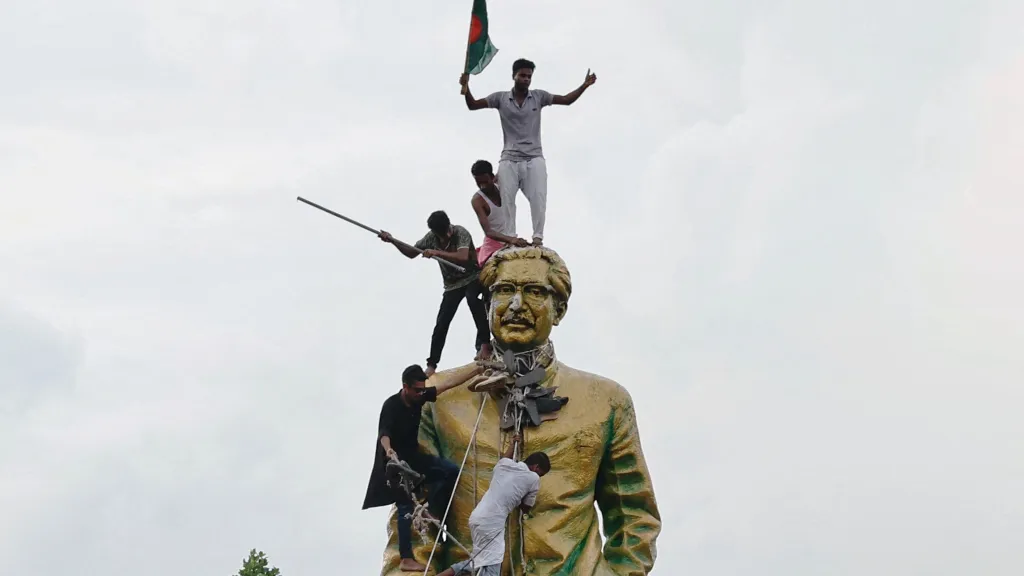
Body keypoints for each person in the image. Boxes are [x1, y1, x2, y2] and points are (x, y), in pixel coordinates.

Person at [378, 246, 661, 576]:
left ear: (559, 309)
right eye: (504, 291)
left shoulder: (606, 402)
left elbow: (634, 517)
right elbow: (414, 518)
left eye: (534, 291)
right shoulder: (440, 401)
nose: (516, 304)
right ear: (487, 306)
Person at [459, 58, 597, 246]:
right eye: (522, 75)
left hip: (534, 157)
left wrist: (584, 85)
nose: (526, 79)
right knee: (507, 198)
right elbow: (473, 105)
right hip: (509, 158)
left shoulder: (538, 96)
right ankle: (511, 238)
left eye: (529, 76)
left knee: (538, 197)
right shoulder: (500, 98)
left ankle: (537, 237)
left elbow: (566, 100)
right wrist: (466, 88)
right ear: (514, 76)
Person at [362, 363, 483, 573]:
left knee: (449, 471)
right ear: (405, 387)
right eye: (417, 390)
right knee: (405, 508)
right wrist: (389, 451)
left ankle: (431, 511)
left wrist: (476, 370)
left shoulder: (419, 396)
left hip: (414, 457)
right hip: (395, 465)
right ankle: (406, 558)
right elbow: (384, 434)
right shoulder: (391, 405)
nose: (420, 393)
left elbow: (446, 385)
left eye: (422, 389)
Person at [378, 211, 492, 377]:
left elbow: (462, 256)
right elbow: (411, 252)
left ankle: (484, 343)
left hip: (472, 276)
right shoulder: (430, 238)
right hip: (452, 285)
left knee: (472, 299)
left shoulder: (460, 232)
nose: (445, 237)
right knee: (442, 321)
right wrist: (393, 241)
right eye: (441, 236)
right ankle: (432, 364)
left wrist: (437, 253)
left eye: (446, 233)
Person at [437, 434, 551, 576]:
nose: (539, 477)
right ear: (536, 467)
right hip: (492, 523)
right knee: (492, 565)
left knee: (477, 560)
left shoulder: (503, 465)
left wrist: (512, 445)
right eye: (541, 473)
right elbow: (526, 508)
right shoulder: (533, 478)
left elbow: (504, 458)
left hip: (476, 518)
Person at [470, 159, 529, 266]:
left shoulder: (502, 183)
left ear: (493, 178)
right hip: (494, 244)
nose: (482, 186)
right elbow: (488, 232)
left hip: (511, 240)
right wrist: (511, 240)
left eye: (485, 182)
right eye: (479, 183)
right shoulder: (478, 201)